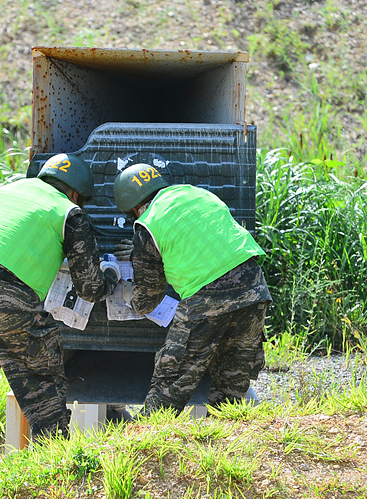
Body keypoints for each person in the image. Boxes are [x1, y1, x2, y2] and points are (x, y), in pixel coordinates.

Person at [0, 153, 121, 465]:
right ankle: (53, 471)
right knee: (43, 390)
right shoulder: (69, 213)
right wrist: (109, 275)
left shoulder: (3, 192)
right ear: (74, 193)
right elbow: (89, 288)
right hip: (8, 297)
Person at [113, 163, 270, 415]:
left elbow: (148, 300)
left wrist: (133, 292)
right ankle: (222, 449)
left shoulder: (148, 224)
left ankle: (145, 448)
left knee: (169, 385)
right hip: (253, 290)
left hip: (207, 298)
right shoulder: (197, 193)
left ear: (134, 208)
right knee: (230, 390)